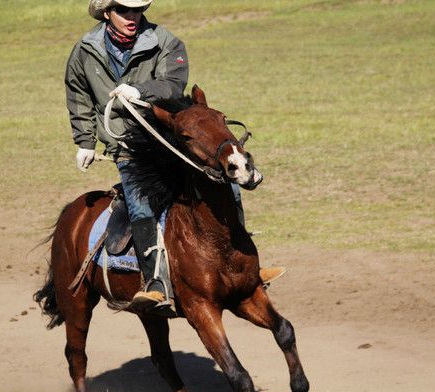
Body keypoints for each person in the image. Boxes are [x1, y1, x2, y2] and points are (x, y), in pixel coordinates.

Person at [65, 0, 283, 316]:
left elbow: (174, 82)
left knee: (224, 181)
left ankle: (246, 268)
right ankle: (156, 284)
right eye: (124, 11)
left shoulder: (164, 41)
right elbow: (78, 94)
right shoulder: (85, 51)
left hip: (169, 140)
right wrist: (84, 141)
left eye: (137, 10)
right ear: (107, 12)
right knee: (140, 203)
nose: (132, 17)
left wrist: (140, 91)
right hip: (127, 147)